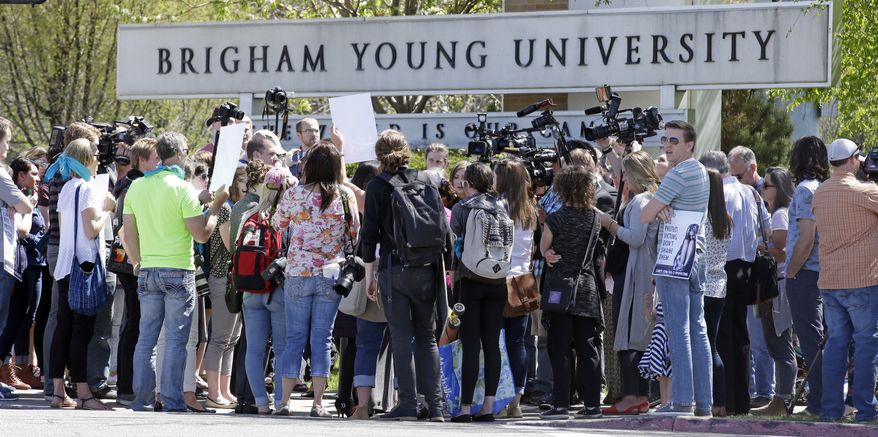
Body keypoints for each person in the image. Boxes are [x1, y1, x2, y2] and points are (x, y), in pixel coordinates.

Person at [123, 132, 228, 413]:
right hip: (178, 269)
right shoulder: (183, 188)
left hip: (148, 268)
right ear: (181, 154)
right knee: (176, 341)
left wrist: (136, 262)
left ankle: (142, 400)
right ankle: (171, 400)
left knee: (146, 339)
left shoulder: (137, 187)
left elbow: (128, 234)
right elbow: (202, 234)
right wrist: (216, 206)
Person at [360, 130, 450, 422]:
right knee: (427, 337)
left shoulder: (377, 185)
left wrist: (370, 275)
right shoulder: (424, 180)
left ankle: (408, 404)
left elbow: (369, 234)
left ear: (379, 154)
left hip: (394, 268)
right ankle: (436, 407)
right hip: (427, 268)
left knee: (401, 336)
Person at [273, 141, 360, 418]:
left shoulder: (294, 194)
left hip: (297, 271)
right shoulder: (344, 195)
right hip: (330, 274)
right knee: (322, 338)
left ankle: (284, 401)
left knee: (294, 338)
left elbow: (278, 225)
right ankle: (318, 403)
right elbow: (354, 233)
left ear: (308, 165)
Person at [640, 120, 712, 417]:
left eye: (674, 141)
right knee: (698, 329)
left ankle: (682, 401)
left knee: (677, 328)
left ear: (689, 145)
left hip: (675, 256)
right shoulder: (700, 171)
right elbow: (657, 211)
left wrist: (659, 208)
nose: (667, 146)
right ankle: (703, 403)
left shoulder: (677, 174)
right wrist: (662, 208)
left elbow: (644, 214)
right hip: (698, 252)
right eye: (665, 140)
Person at [812, 138, 878, 423]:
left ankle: (830, 410)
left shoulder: (819, 193)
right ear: (854, 159)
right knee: (865, 344)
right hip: (863, 279)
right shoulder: (866, 191)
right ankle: (865, 410)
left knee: (836, 344)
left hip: (830, 281)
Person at [699, 150, 769, 416]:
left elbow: (714, 234)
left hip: (723, 266)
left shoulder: (722, 194)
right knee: (740, 335)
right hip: (746, 267)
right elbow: (768, 229)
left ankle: (725, 399)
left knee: (721, 336)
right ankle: (740, 399)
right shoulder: (750, 192)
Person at [46, 138, 115, 410]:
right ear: (86, 160)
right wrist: (107, 210)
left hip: (64, 266)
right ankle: (85, 394)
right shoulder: (86, 189)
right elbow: (91, 230)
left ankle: (58, 393)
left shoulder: (65, 189)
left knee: (63, 329)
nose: (98, 160)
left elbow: (64, 229)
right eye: (95, 156)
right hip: (83, 267)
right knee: (81, 333)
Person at [595, 151, 660, 416]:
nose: (621, 179)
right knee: (638, 335)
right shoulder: (649, 199)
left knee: (629, 335)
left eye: (624, 173)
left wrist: (609, 223)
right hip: (641, 272)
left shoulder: (642, 201)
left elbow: (635, 238)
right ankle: (640, 395)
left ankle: (633, 395)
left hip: (636, 274)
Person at [538, 165, 604, 420]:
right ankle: (592, 405)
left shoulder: (556, 218)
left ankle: (561, 404)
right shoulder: (594, 218)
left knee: (560, 347)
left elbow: (545, 249)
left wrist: (548, 254)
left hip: (560, 289)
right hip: (586, 287)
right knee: (588, 348)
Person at [448, 162, 510, 423]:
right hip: (497, 281)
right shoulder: (503, 207)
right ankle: (488, 406)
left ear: (468, 183)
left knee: (471, 343)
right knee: (492, 344)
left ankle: (464, 408)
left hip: (470, 281)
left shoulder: (462, 208)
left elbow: (456, 240)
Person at [238, 164, 295, 415]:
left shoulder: (250, 216)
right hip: (277, 291)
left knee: (254, 349)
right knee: (282, 348)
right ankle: (281, 402)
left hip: (251, 290)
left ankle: (261, 403)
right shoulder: (288, 216)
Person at [113, 138, 160, 406]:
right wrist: (138, 260)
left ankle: (127, 384)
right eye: (155, 158)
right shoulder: (134, 185)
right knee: (134, 323)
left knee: (134, 322)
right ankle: (127, 386)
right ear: (141, 161)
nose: (159, 163)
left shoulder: (131, 184)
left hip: (132, 261)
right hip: (132, 262)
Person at [785, 136, 829, 417]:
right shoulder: (823, 188)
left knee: (811, 340)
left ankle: (818, 403)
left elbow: (806, 236)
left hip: (806, 273)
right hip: (822, 272)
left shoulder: (804, 190)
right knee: (820, 339)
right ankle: (825, 399)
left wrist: (791, 271)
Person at [492, 159, 538, 419]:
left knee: (496, 342)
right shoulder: (528, 208)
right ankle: (516, 401)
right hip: (524, 280)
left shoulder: (498, 207)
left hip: (500, 279)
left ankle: (499, 399)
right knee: (518, 343)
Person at [750, 167, 797, 417]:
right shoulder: (779, 213)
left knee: (780, 344)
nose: (762, 189)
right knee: (778, 343)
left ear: (777, 188)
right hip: (778, 284)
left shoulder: (780, 215)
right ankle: (781, 397)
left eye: (766, 185)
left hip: (777, 286)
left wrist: (760, 246)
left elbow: (782, 251)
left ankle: (783, 399)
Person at [0, 157, 44, 392]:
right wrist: (29, 206)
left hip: (30, 264)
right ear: (20, 176)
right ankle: (7, 368)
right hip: (15, 263)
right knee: (12, 318)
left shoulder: (25, 197)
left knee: (25, 317)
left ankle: (12, 368)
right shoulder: (14, 195)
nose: (37, 178)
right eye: (33, 174)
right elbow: (23, 229)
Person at [203, 165, 245, 409]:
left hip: (231, 279)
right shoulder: (227, 210)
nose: (247, 185)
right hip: (222, 277)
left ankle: (224, 390)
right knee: (220, 338)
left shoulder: (232, 209)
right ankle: (213, 393)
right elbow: (231, 246)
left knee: (231, 339)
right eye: (243, 180)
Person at [696, 168, 732, 417]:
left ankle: (709, 399)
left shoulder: (701, 218)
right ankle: (720, 401)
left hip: (701, 286)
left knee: (704, 347)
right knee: (712, 346)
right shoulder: (725, 220)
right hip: (719, 287)